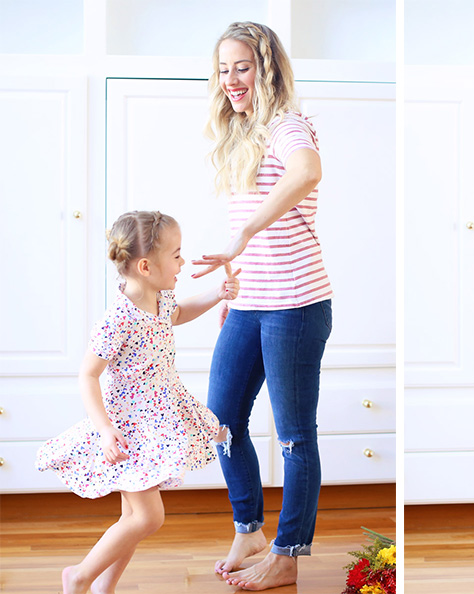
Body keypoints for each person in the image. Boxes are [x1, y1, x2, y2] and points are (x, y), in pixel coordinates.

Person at [191, 22, 333, 591]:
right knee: (220, 420)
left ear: (266, 68)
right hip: (251, 302)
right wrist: (235, 283)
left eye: (242, 67)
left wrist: (242, 236)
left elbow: (307, 171)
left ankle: (288, 553)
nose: (231, 80)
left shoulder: (288, 126)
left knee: (295, 434)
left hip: (296, 305)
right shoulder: (240, 134)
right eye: (223, 69)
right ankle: (249, 528)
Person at [36, 210, 240, 594]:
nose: (183, 262)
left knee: (132, 516)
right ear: (146, 266)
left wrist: (217, 294)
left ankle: (103, 587)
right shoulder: (119, 319)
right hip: (130, 428)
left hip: (157, 421)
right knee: (148, 517)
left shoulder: (162, 299)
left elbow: (177, 314)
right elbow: (88, 374)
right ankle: (78, 576)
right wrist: (105, 430)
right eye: (177, 255)